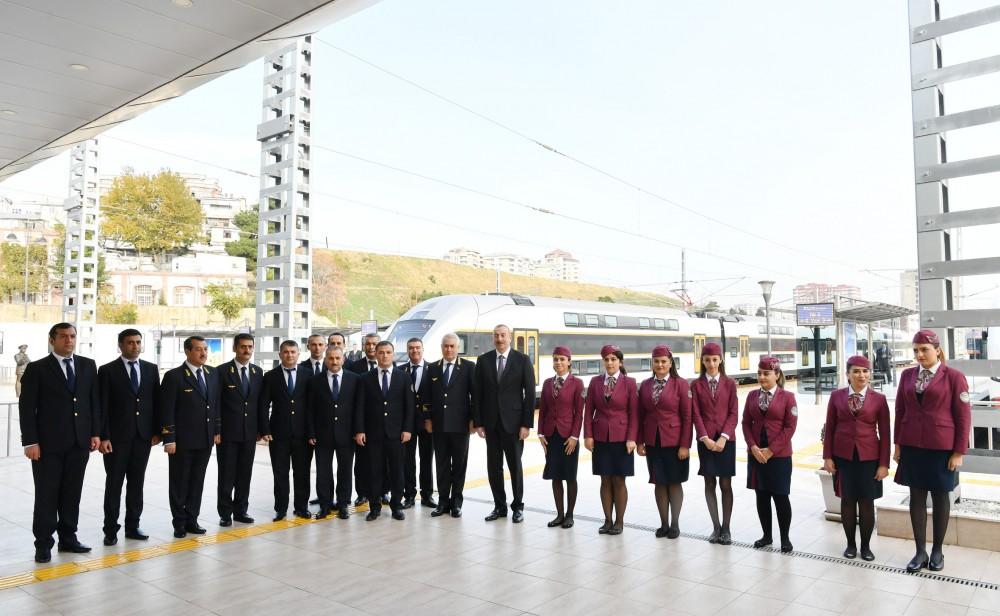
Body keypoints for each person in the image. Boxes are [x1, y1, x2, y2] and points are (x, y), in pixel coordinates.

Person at [18, 323, 100, 563]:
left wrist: (95, 433)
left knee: (71, 493)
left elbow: (93, 402)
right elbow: (26, 408)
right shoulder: (37, 368)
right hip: (47, 446)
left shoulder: (87, 365)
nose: (69, 340)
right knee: (47, 495)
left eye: (72, 336)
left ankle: (68, 538)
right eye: (63, 336)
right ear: (52, 340)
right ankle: (43, 544)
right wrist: (30, 441)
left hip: (79, 442)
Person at [893, 329, 972, 573]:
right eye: (916, 350)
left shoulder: (954, 377)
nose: (919, 355)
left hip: (941, 448)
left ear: (937, 350)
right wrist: (898, 445)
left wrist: (958, 452)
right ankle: (920, 551)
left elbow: (963, 416)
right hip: (912, 446)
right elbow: (900, 412)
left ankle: (937, 550)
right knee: (916, 497)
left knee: (940, 497)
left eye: (924, 349)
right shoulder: (907, 375)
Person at [822, 355, 890, 561]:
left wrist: (883, 464)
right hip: (843, 458)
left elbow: (886, 434)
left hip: (869, 457)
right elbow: (830, 428)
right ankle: (851, 545)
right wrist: (828, 457)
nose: (862, 375)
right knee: (847, 501)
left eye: (865, 371)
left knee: (867, 502)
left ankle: (866, 546)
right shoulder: (836, 397)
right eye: (856, 371)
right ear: (848, 374)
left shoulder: (879, 399)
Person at [97, 329, 161, 546]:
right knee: (114, 484)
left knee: (137, 483)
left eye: (138, 342)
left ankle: (133, 525)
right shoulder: (107, 371)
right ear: (120, 345)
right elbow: (102, 406)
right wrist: (104, 436)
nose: (135, 346)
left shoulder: (151, 369)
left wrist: (157, 431)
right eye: (130, 343)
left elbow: (155, 403)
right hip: (116, 439)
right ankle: (110, 529)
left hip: (143, 438)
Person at [473, 324, 536, 523]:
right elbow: (477, 395)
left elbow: (530, 394)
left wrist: (526, 424)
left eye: (503, 335)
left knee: (515, 467)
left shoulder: (523, 360)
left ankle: (518, 507)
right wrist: (479, 423)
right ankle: (499, 506)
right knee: (494, 468)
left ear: (510, 338)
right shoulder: (483, 361)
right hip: (491, 424)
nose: (499, 339)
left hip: (514, 424)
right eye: (496, 335)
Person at [160, 336, 221, 538]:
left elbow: (215, 405)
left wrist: (216, 431)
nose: (203, 353)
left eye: (205, 349)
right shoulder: (174, 376)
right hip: (182, 441)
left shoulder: (212, 373)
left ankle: (192, 519)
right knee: (179, 482)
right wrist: (169, 438)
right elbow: (166, 409)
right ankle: (179, 522)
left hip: (205, 439)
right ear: (187, 351)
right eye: (198, 349)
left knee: (197, 481)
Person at [742, 356, 798, 553]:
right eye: (759, 373)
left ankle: (785, 538)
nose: (762, 377)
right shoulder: (751, 396)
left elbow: (790, 427)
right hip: (756, 454)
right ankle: (766, 535)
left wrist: (771, 449)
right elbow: (746, 423)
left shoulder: (788, 397)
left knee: (781, 496)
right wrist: (753, 447)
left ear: (777, 375)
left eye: (766, 373)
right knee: (762, 496)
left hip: (779, 455)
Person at [355, 341, 414, 521]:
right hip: (373, 434)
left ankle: (396, 505)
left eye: (388, 352)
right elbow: (360, 407)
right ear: (376, 354)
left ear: (393, 354)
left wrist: (407, 429)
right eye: (381, 352)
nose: (384, 355)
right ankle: (374, 507)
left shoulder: (403, 377)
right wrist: (360, 430)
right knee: (374, 471)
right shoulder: (365, 378)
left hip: (396, 434)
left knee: (397, 471)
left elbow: (409, 406)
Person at [637, 345, 691, 539]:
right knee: (659, 482)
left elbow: (687, 416)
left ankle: (675, 524)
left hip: (675, 442)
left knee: (674, 482)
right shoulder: (644, 385)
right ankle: (664, 524)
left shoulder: (681, 384)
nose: (659, 365)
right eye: (656, 361)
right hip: (653, 441)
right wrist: (640, 441)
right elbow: (640, 415)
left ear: (670, 363)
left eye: (663, 361)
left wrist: (685, 444)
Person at [584, 344, 638, 535]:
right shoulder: (595, 382)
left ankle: (619, 522)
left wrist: (632, 438)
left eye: (613, 359)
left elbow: (634, 413)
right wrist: (588, 435)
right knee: (605, 479)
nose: (609, 363)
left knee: (619, 480)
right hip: (600, 438)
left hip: (622, 438)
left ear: (620, 362)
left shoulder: (629, 383)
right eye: (606, 359)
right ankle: (607, 520)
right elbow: (588, 411)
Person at [260, 340, 314, 521]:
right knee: (280, 473)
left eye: (293, 352)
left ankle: (301, 507)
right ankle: (281, 508)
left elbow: (312, 407)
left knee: (302, 472)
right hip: (278, 434)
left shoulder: (308, 375)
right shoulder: (271, 376)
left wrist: (312, 432)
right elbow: (263, 405)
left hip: (302, 435)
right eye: (286, 352)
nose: (289, 355)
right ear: (280, 355)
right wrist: (265, 429)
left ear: (299, 354)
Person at [691, 342, 737, 545]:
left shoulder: (730, 383)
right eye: (707, 360)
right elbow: (695, 414)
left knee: (726, 484)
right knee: (709, 483)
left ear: (721, 360)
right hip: (706, 441)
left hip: (726, 441)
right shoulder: (696, 385)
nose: (711, 363)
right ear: (702, 361)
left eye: (714, 360)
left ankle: (726, 528)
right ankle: (716, 527)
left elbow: (734, 413)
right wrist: (705, 438)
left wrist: (723, 437)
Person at [216, 333, 265, 526]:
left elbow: (260, 403)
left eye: (250, 347)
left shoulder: (257, 372)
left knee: (245, 474)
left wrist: (261, 429)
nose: (247, 350)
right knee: (227, 475)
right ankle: (225, 513)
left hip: (250, 433)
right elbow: (216, 403)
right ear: (235, 348)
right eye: (243, 347)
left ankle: (241, 511)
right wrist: (216, 430)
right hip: (228, 434)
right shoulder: (220, 371)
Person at [425, 333, 475, 518]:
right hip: (439, 426)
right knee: (442, 465)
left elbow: (474, 397)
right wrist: (428, 419)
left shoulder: (469, 367)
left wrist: (473, 421)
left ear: (457, 347)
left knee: (459, 466)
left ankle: (456, 503)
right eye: (446, 346)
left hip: (461, 426)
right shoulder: (433, 368)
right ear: (441, 347)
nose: (449, 349)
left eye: (452, 346)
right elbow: (427, 396)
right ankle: (443, 502)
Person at [308, 346, 361, 519]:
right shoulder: (315, 381)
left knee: (345, 470)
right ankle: (325, 505)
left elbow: (358, 408)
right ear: (325, 360)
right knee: (323, 471)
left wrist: (358, 430)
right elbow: (310, 410)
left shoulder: (355, 380)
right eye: (330, 358)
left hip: (347, 434)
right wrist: (311, 432)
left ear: (343, 359)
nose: (334, 362)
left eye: (337, 358)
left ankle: (344, 503)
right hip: (323, 435)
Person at [537, 346, 584, 529]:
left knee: (570, 476)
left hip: (568, 437)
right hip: (551, 436)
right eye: (556, 359)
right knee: (555, 476)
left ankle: (570, 515)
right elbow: (543, 411)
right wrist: (541, 433)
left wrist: (574, 436)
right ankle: (559, 515)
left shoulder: (577, 383)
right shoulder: (548, 383)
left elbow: (579, 413)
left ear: (569, 362)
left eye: (562, 359)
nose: (559, 363)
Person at [401, 337, 435, 509]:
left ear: (423, 349)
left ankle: (427, 495)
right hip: (407, 424)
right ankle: (409, 495)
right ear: (407, 350)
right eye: (411, 348)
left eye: (417, 348)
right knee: (407, 461)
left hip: (427, 424)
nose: (414, 351)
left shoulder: (433, 369)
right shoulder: (400, 370)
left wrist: (431, 418)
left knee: (427, 460)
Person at [349, 332, 381, 506]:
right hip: (362, 422)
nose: (371, 347)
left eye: (374, 344)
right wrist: (356, 427)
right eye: (367, 344)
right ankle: (362, 493)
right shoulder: (354, 367)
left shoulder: (390, 366)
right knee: (361, 461)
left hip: (382, 424)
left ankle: (383, 492)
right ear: (363, 346)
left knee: (382, 460)